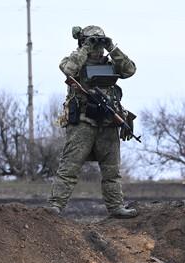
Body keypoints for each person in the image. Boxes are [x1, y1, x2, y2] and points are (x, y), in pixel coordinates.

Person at [48, 25, 137, 218]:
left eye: (100, 42)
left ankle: (116, 208)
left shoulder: (110, 63)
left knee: (111, 171)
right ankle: (55, 206)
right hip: (82, 122)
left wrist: (112, 47)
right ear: (82, 42)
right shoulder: (73, 60)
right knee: (69, 167)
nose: (98, 47)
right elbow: (69, 70)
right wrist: (85, 49)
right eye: (92, 41)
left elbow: (129, 70)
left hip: (108, 122)